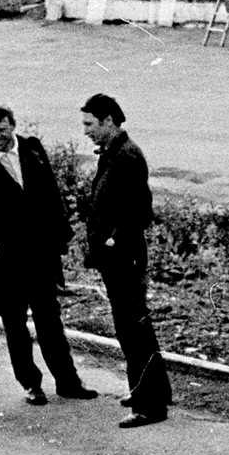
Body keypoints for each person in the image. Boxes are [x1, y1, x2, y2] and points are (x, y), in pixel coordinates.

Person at [0, 105, 98, 407]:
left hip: (40, 255)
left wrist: (60, 238)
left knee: (50, 320)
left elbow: (51, 195)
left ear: (13, 127)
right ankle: (31, 384)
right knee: (15, 325)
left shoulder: (32, 150)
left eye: (2, 130)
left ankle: (68, 381)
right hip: (4, 261)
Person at [79, 93, 173, 429]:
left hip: (123, 256)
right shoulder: (115, 152)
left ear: (108, 120)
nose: (86, 131)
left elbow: (140, 210)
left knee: (134, 329)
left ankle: (151, 406)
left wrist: (114, 239)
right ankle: (146, 391)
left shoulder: (126, 156)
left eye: (90, 124)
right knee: (129, 327)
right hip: (117, 256)